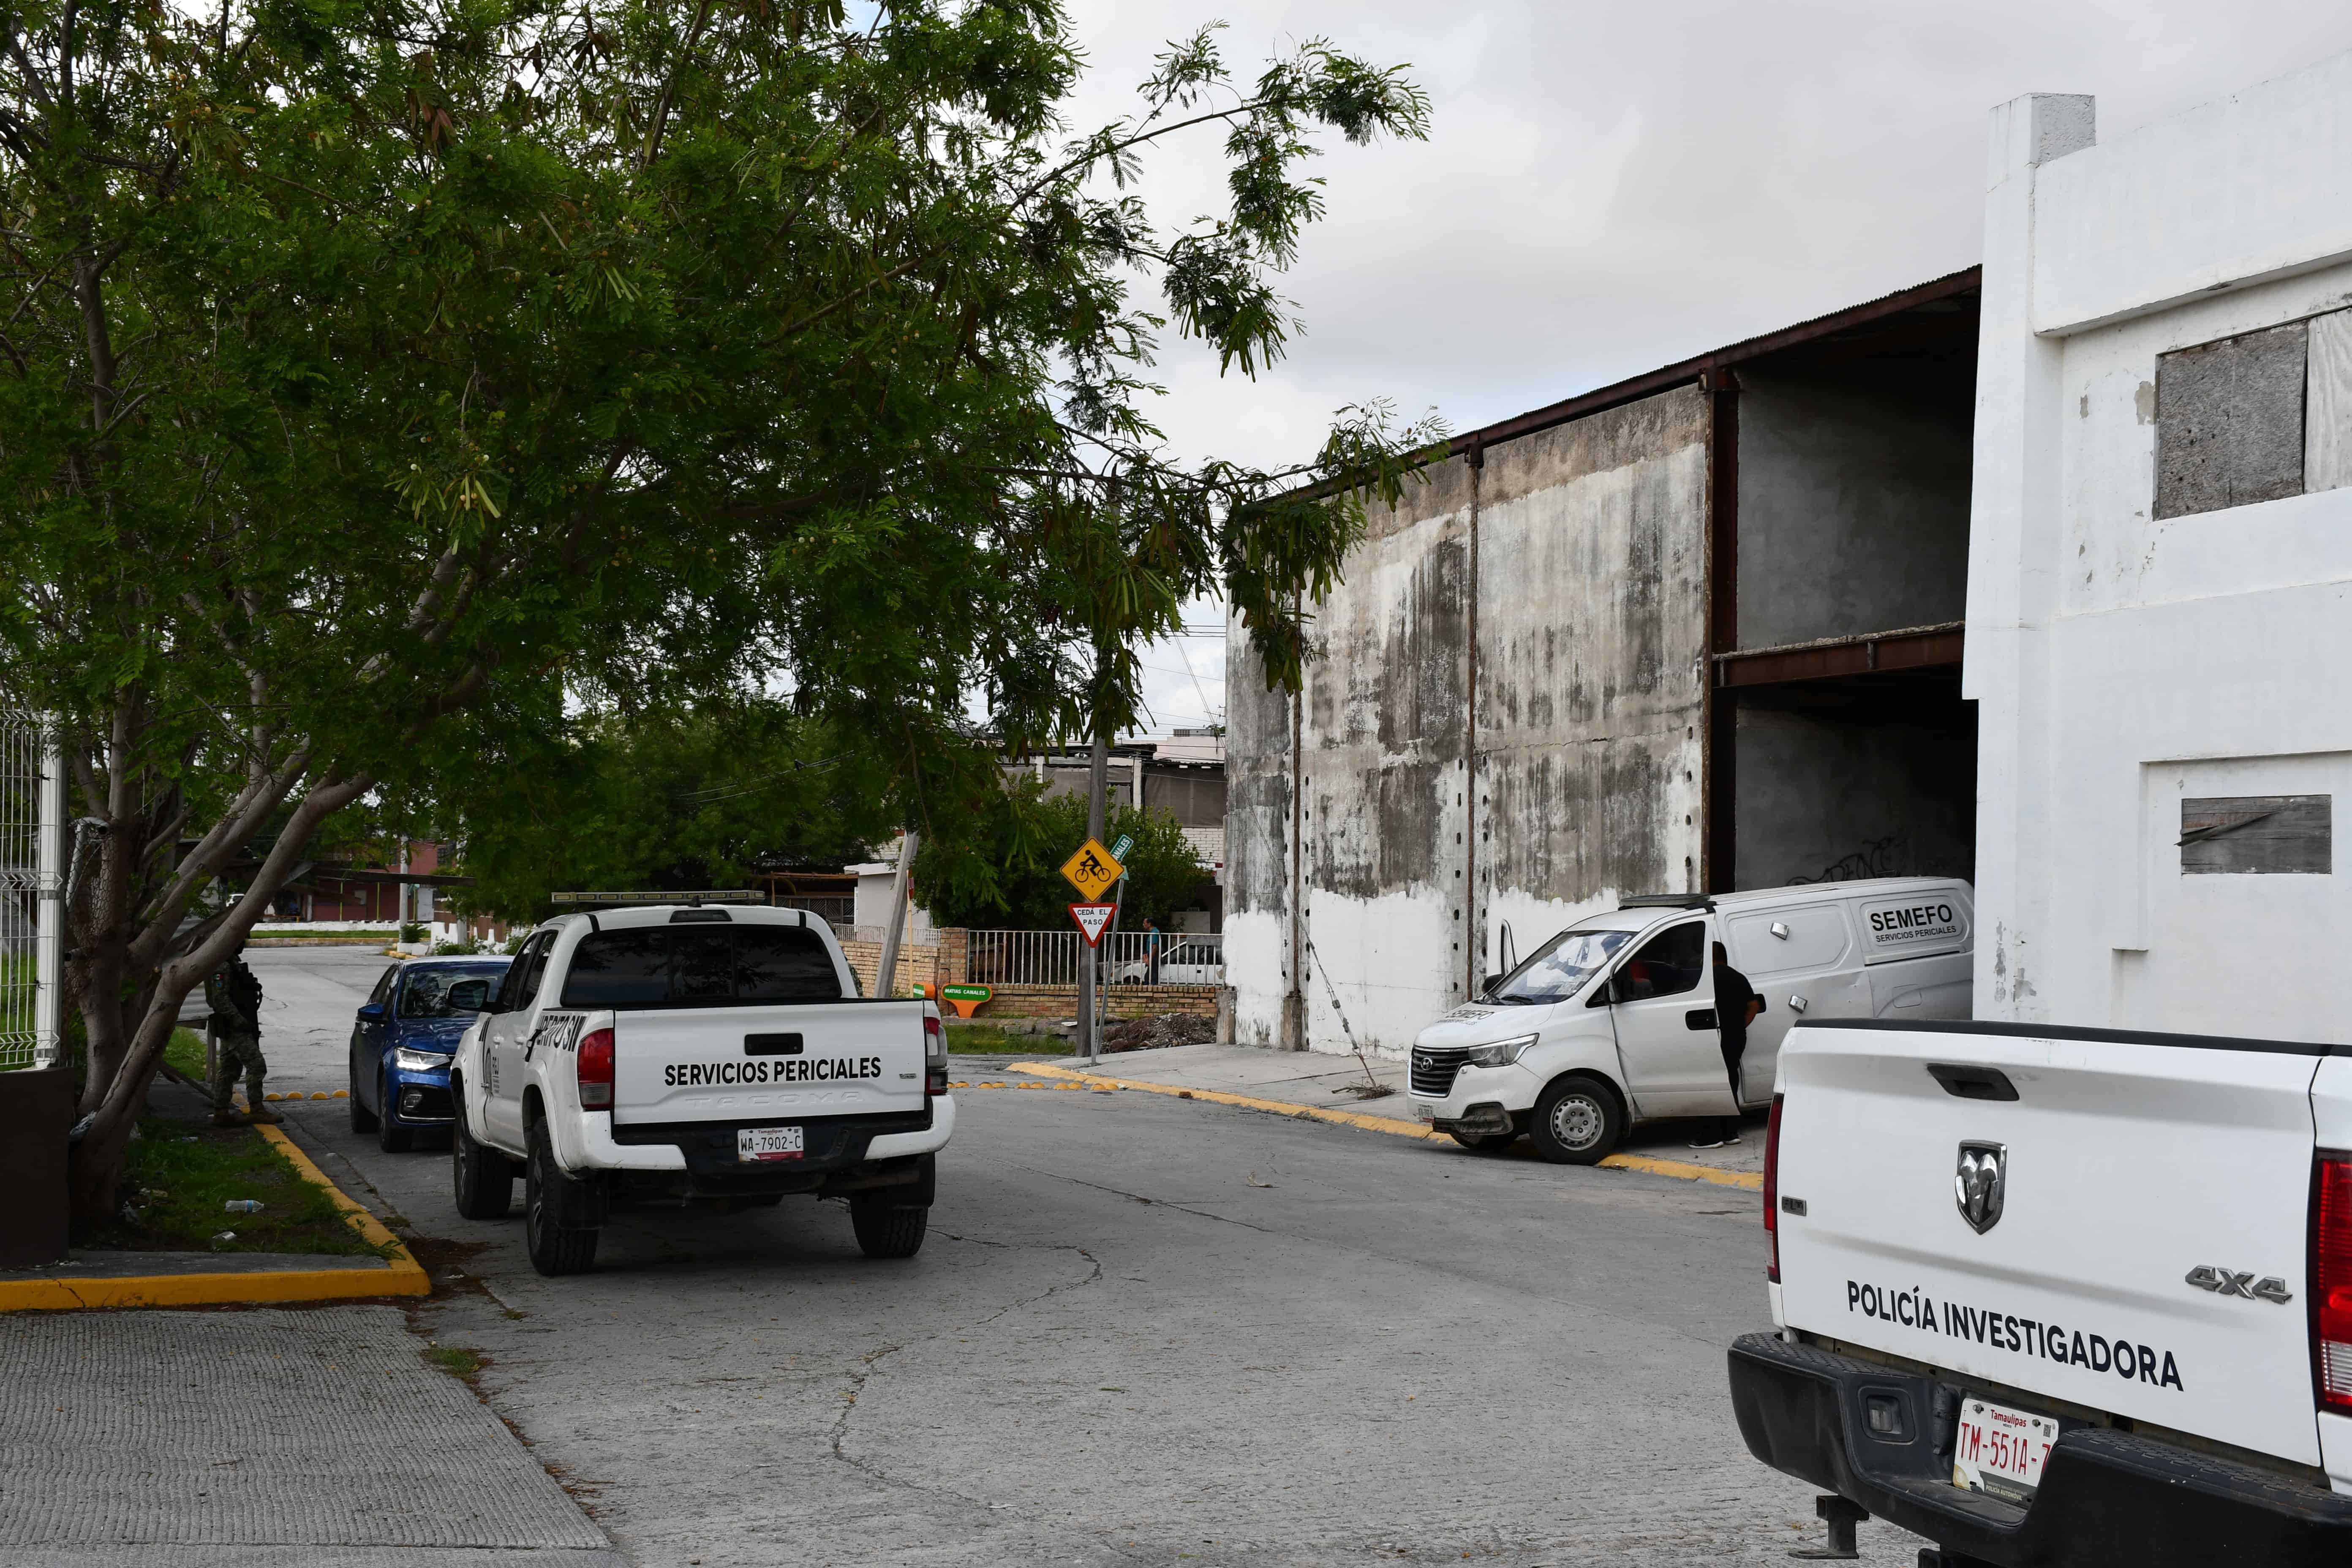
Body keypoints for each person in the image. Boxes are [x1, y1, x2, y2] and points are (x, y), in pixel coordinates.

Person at [1692, 941, 1762, 1149]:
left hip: (1714, 1036)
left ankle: (1711, 1136)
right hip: (1736, 1036)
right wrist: (1740, 1025)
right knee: (1731, 1080)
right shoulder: (1738, 977)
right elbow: (1754, 1005)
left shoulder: (1706, 980)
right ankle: (1731, 1133)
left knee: (1711, 1083)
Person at [204, 940, 280, 1127]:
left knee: (229, 1069)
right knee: (256, 1065)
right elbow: (220, 999)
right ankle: (256, 1110)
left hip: (240, 1023)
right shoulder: (222, 965)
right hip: (235, 1026)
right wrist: (239, 1020)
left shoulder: (231, 962)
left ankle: (221, 1111)